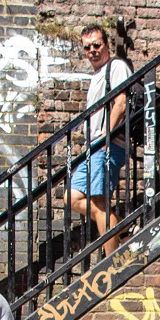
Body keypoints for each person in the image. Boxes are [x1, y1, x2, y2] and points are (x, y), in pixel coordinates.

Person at [67, 23, 130, 255]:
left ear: (106, 45)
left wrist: (107, 135)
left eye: (96, 45)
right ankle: (121, 227)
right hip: (92, 148)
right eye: (87, 47)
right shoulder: (97, 75)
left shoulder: (116, 66)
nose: (92, 50)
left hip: (107, 145)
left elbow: (121, 101)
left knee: (98, 203)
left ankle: (111, 263)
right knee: (72, 198)